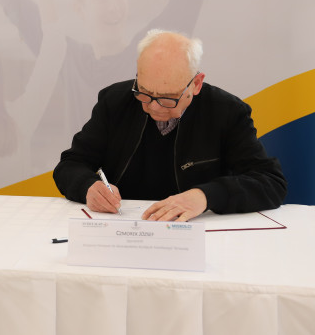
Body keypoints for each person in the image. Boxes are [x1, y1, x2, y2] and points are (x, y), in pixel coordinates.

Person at [53, 29, 286, 222]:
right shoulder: (115, 102)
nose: (154, 107)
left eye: (168, 98)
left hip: (198, 235)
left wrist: (205, 196)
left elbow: (270, 182)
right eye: (144, 93)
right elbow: (70, 164)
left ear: (196, 84)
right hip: (124, 228)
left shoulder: (227, 112)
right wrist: (88, 186)